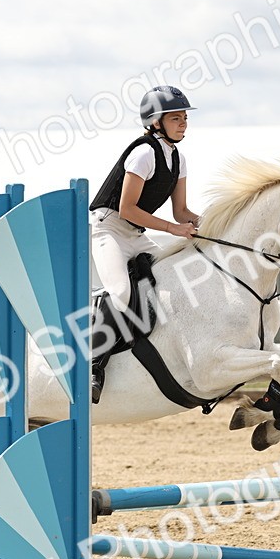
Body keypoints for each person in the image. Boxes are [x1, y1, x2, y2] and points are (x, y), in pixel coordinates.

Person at [87, 85, 201, 403]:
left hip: (135, 234)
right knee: (121, 292)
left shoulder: (178, 159)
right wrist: (174, 230)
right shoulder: (143, 153)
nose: (183, 123)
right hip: (108, 229)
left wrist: (210, 223)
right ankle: (93, 365)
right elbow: (127, 209)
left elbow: (182, 212)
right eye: (175, 118)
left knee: (175, 276)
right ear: (155, 122)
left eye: (185, 118)